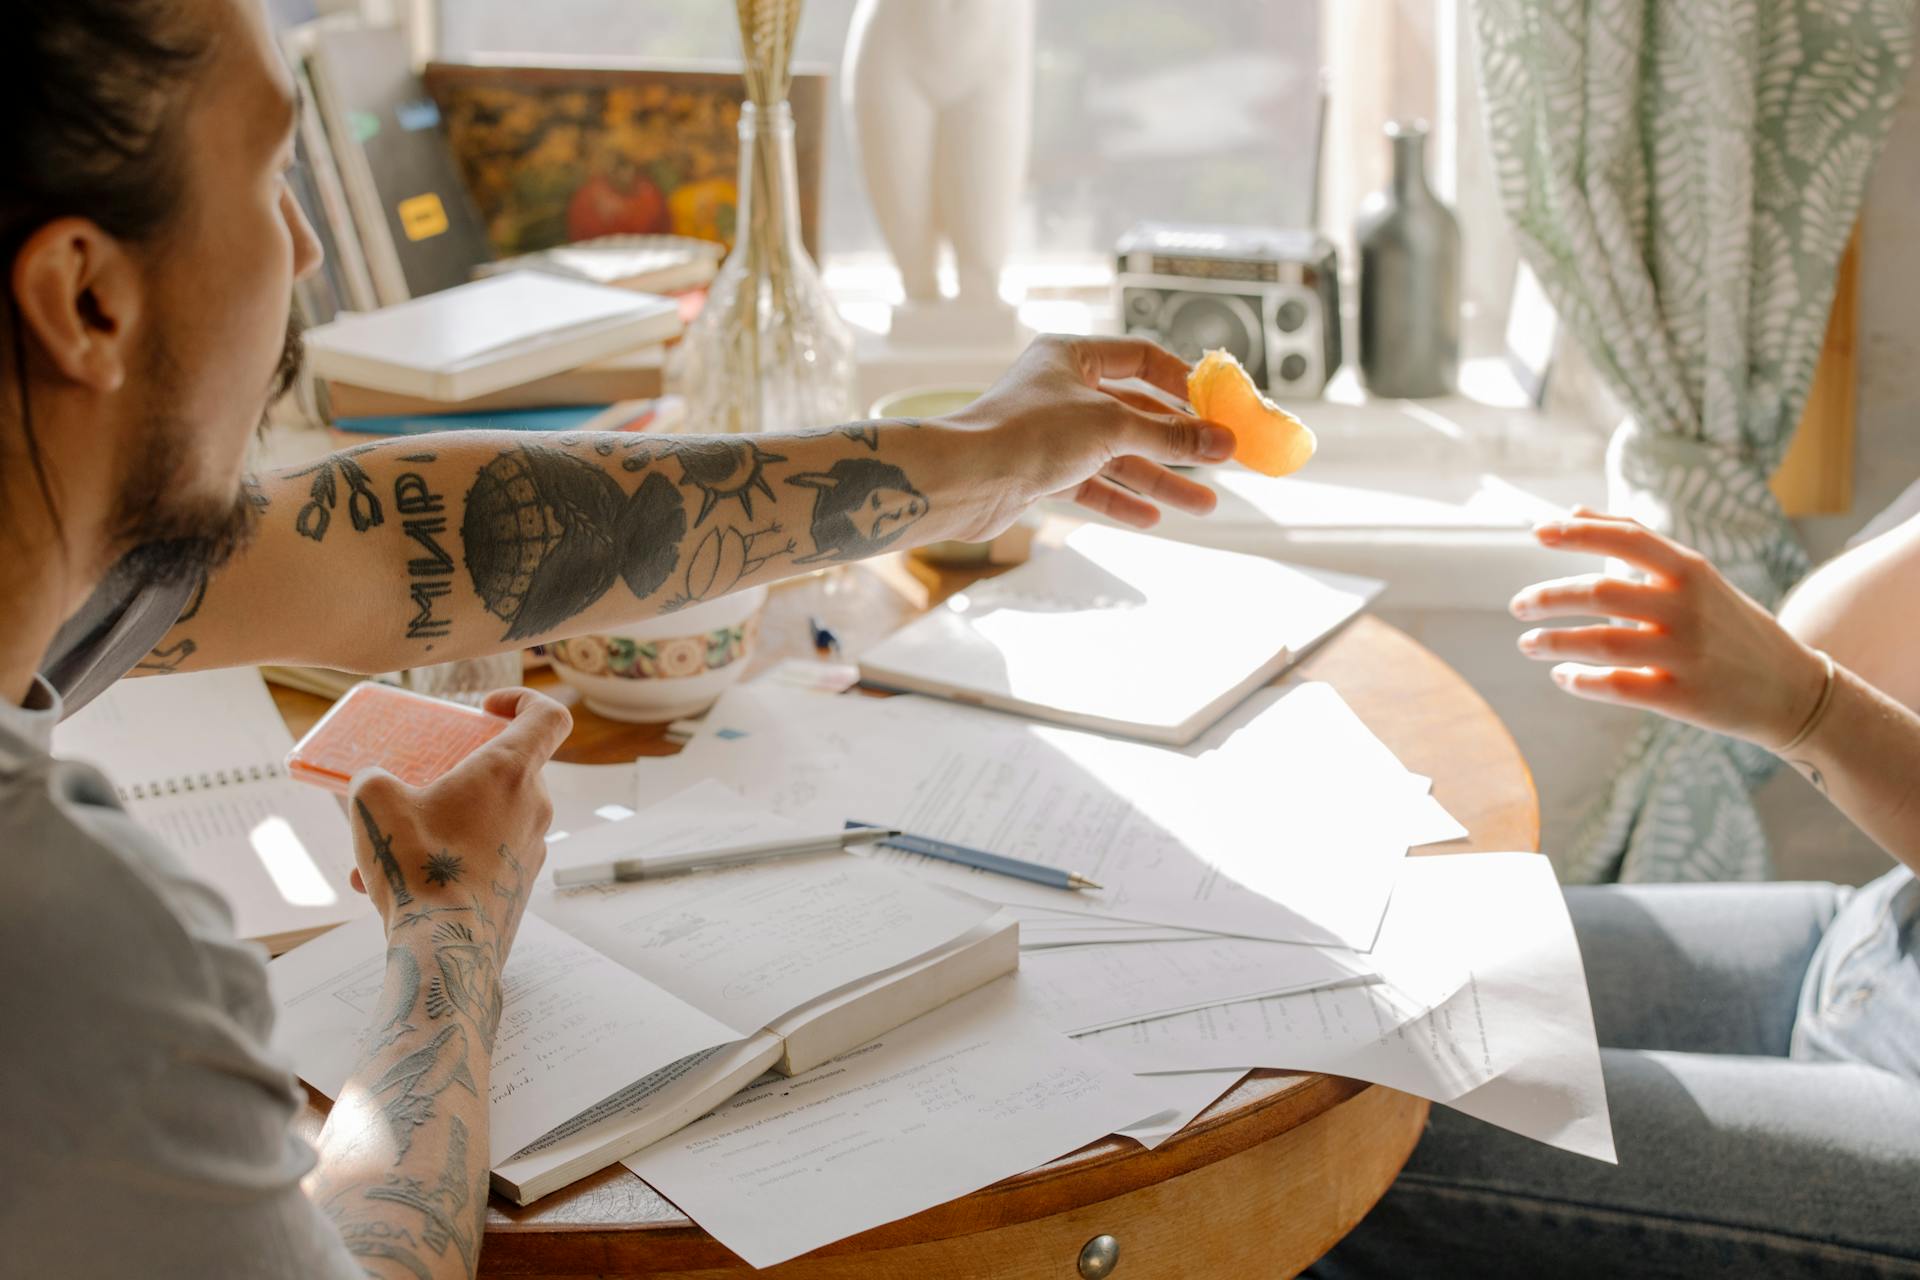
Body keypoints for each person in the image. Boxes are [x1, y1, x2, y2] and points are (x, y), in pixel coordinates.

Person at [0, 2, 1236, 1276]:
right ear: (83, 295)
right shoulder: (71, 941)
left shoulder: (54, 554)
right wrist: (449, 941)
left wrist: (972, 460)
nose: (307, 248)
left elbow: (403, 544)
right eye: (269, 177)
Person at [1313, 506, 1920, 1278]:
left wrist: (1814, 709)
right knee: (1386, 954)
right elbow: (1835, 641)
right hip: (1873, 945)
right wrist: (1813, 694)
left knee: (1354, 1140)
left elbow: (1814, 686)